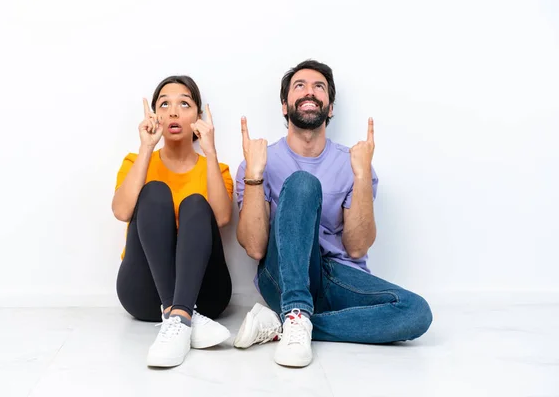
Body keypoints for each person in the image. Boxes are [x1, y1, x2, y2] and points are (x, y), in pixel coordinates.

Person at [232, 60, 433, 368]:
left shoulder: (353, 163)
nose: (309, 92)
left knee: (415, 312)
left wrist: (362, 176)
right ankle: (296, 309)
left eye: (319, 87)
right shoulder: (258, 161)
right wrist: (255, 175)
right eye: (299, 86)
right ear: (285, 107)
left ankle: (286, 325)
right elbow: (256, 247)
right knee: (302, 184)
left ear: (330, 107)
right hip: (283, 277)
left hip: (336, 276)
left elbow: (357, 247)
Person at [112, 75, 233, 368]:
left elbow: (222, 218)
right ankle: (177, 313)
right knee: (154, 192)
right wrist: (146, 148)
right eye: (164, 104)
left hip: (206, 293)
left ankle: (180, 313)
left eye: (184, 104)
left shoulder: (217, 169)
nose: (174, 112)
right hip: (143, 293)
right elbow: (121, 211)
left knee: (195, 203)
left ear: (198, 117)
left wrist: (211, 150)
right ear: (155, 115)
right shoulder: (135, 161)